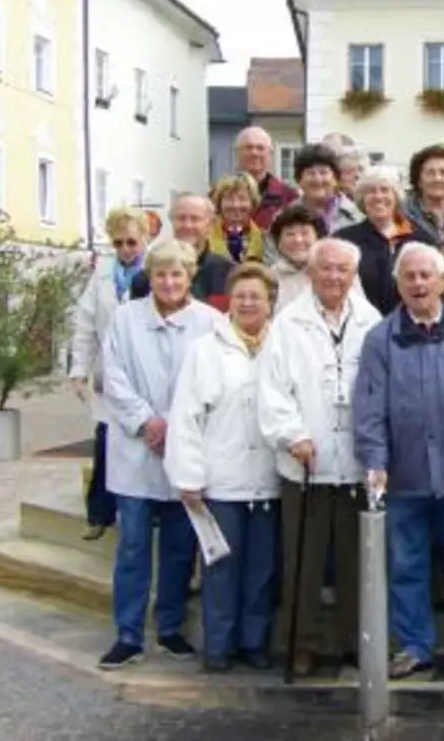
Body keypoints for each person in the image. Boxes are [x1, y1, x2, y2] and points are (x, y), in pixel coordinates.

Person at [353, 243, 444, 684]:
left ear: (442, 280)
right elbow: (368, 408)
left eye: (426, 275)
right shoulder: (380, 339)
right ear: (398, 284)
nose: (418, 284)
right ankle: (413, 646)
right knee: (406, 566)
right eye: (409, 276)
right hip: (405, 475)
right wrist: (376, 461)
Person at [98, 238, 226, 670]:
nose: (169, 282)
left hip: (184, 448)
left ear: (190, 277)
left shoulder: (211, 322)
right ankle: (128, 634)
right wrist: (146, 421)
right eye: (160, 274)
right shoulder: (124, 319)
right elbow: (113, 377)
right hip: (135, 448)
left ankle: (170, 627)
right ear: (149, 277)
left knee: (178, 547)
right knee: (133, 546)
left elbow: (212, 382)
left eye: (177, 274)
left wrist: (172, 423)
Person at [258, 238, 383, 676]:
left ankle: (355, 642)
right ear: (310, 273)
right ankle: (301, 644)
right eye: (325, 268)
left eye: (342, 269)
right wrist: (292, 435)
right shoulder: (287, 323)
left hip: (355, 463)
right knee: (303, 562)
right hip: (305, 462)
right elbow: (271, 390)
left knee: (356, 562)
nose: (333, 276)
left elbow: (379, 388)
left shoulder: (371, 321)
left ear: (354, 275)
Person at [163, 263, 282, 673]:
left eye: (256, 297)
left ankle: (254, 641)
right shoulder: (205, 349)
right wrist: (189, 475)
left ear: (270, 303)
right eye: (240, 296)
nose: (247, 303)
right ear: (229, 301)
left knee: (262, 570)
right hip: (221, 479)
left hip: (269, 479)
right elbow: (186, 416)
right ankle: (219, 645)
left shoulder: (283, 345)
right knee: (221, 568)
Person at [69, 207, 152, 540]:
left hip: (146, 373)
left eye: (132, 242)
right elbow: (85, 324)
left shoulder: (155, 271)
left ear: (145, 238)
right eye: (118, 243)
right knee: (106, 440)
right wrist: (79, 369)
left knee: (145, 443)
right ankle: (99, 513)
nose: (125, 249)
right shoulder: (103, 274)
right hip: (110, 372)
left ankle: (148, 512)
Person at [335, 168, 434, 315]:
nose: (378, 196)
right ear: (362, 198)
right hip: (360, 322)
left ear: (396, 196)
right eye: (371, 191)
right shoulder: (344, 240)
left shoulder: (420, 238)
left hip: (410, 321)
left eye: (385, 190)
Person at [129, 194, 234, 310]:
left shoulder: (229, 273)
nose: (187, 225)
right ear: (172, 221)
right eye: (181, 218)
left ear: (210, 225)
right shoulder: (147, 277)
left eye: (195, 219)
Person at [233, 126, 299, 230]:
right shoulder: (219, 194)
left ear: (270, 154)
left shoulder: (289, 197)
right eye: (248, 147)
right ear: (237, 153)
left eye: (260, 148)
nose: (254, 153)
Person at [294, 145, 363, 233]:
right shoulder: (286, 216)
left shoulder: (358, 215)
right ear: (299, 180)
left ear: (336, 178)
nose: (318, 179)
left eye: (323, 172)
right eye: (311, 173)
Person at [205, 173, 270, 265]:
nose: (235, 205)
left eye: (242, 199)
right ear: (219, 202)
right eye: (229, 199)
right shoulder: (204, 237)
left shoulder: (265, 239)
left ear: (252, 202)